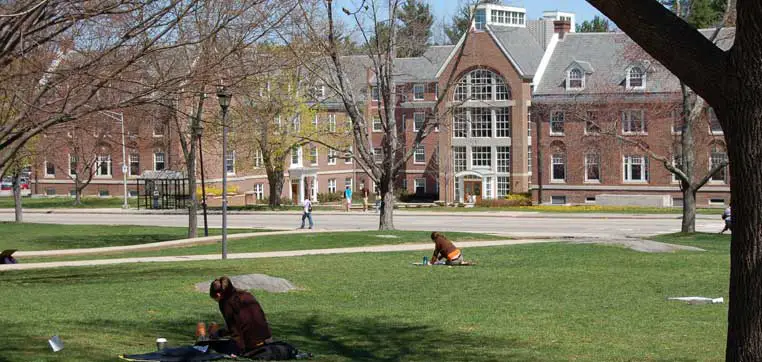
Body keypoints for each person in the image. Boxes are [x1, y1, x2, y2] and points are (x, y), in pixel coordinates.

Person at [208, 276, 273, 357]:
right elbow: (244, 321)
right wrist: (220, 333)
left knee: (214, 347)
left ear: (218, 295)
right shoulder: (246, 295)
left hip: (250, 345)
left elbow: (234, 329)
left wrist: (239, 350)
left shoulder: (225, 303)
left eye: (215, 299)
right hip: (267, 339)